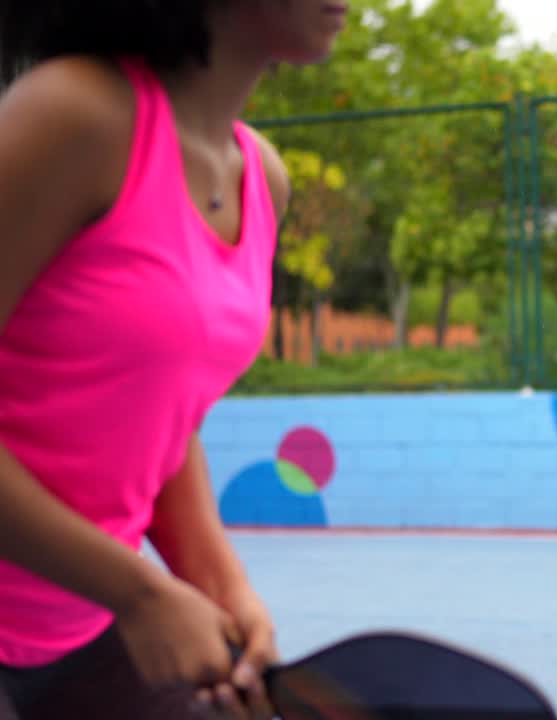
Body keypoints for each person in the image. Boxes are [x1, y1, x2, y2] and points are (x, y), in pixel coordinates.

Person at [0, 2, 347, 718]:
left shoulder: (261, 177)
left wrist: (221, 587)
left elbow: (160, 409)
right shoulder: (71, 116)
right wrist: (140, 591)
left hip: (73, 629)